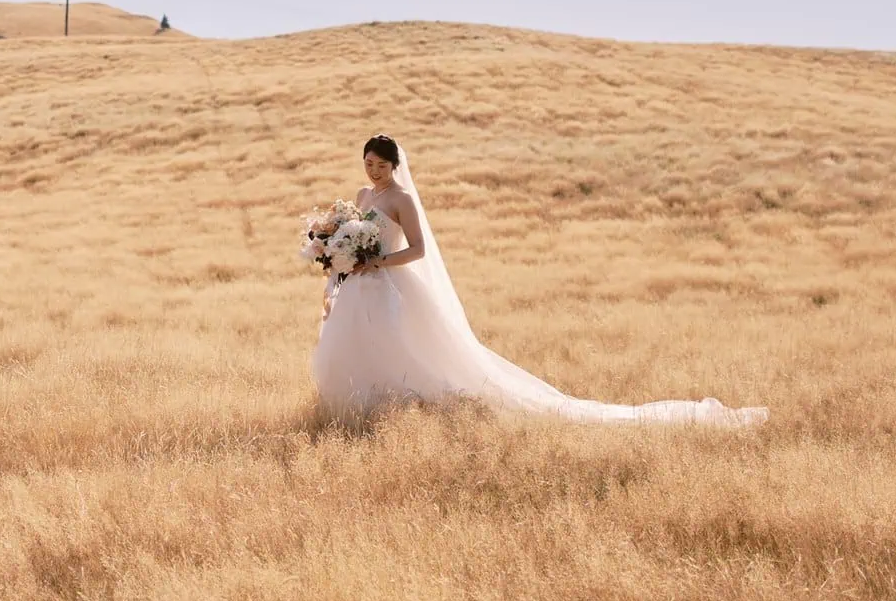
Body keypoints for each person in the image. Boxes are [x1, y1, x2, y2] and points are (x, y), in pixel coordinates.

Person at [310, 134, 767, 427]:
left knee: (403, 349)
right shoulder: (362, 195)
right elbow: (351, 231)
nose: (373, 171)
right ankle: (355, 413)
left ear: (394, 165)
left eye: (381, 165)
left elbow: (418, 250)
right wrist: (339, 256)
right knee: (355, 346)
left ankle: (405, 411)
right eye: (368, 163)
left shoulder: (403, 200)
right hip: (358, 288)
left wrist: (378, 261)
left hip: (390, 284)